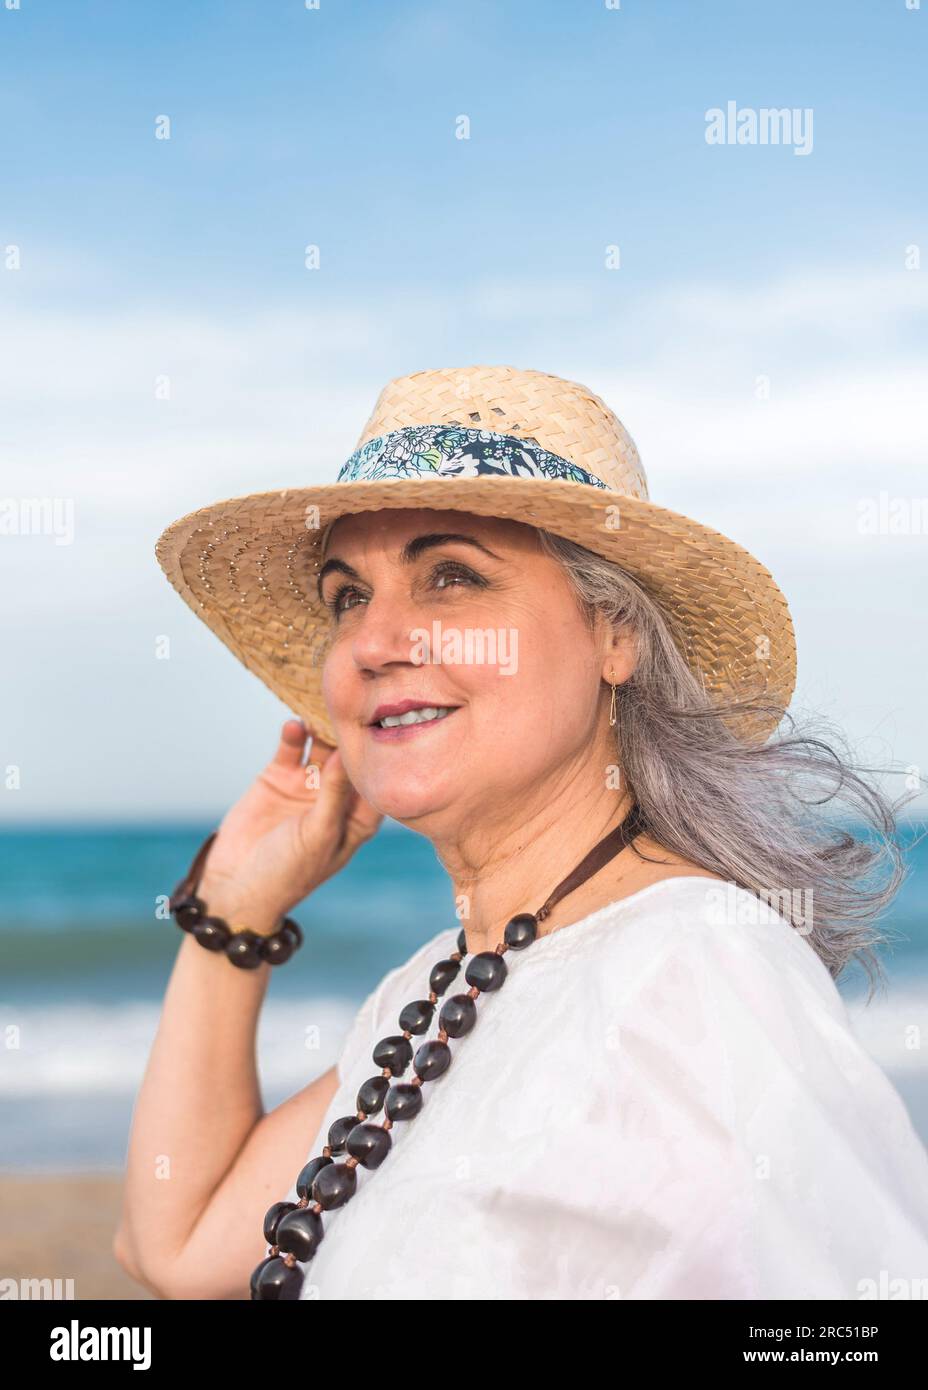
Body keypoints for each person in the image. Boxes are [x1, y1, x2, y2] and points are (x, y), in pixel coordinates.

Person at [115, 365, 928, 1300]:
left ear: (614, 634)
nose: (376, 641)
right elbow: (173, 1246)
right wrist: (233, 911)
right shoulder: (431, 991)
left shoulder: (696, 975)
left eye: (451, 576)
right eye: (348, 596)